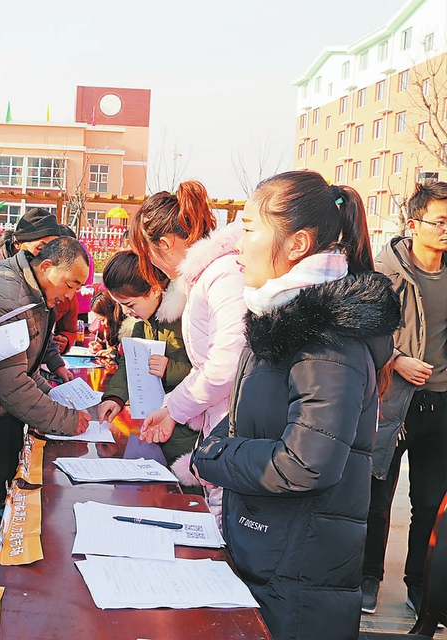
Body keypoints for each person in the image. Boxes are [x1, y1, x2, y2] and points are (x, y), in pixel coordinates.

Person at [191, 171, 399, 639]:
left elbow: (306, 463)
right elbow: (245, 421)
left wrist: (215, 456)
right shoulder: (280, 318)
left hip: (299, 572)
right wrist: (219, 444)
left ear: (297, 243)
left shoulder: (326, 340)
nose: (236, 247)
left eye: (247, 230)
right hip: (272, 549)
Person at [0, 237, 92, 611]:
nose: (72, 295)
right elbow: (10, 383)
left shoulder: (35, 293)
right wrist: (65, 418)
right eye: (71, 284)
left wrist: (57, 394)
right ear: (46, 268)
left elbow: (24, 366)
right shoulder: (7, 294)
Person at [131, 181, 246, 523]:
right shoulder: (209, 275)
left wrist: (175, 408)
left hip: (234, 429)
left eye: (146, 253)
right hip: (223, 424)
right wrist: (171, 410)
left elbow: (226, 364)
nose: (149, 263)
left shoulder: (222, 275)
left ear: (164, 244)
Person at [361, 179, 447, 616]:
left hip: (441, 403)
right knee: (377, 496)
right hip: (393, 398)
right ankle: (368, 579)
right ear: (413, 224)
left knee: (429, 503)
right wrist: (395, 359)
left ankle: (420, 586)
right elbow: (366, 330)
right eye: (440, 220)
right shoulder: (385, 272)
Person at [96, 251, 195, 475]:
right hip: (158, 424)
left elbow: (210, 371)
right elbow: (129, 366)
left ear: (153, 289)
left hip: (188, 427)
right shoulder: (142, 326)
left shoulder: (185, 320)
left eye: (129, 304)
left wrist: (170, 369)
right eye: (120, 305)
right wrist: (114, 397)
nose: (125, 312)